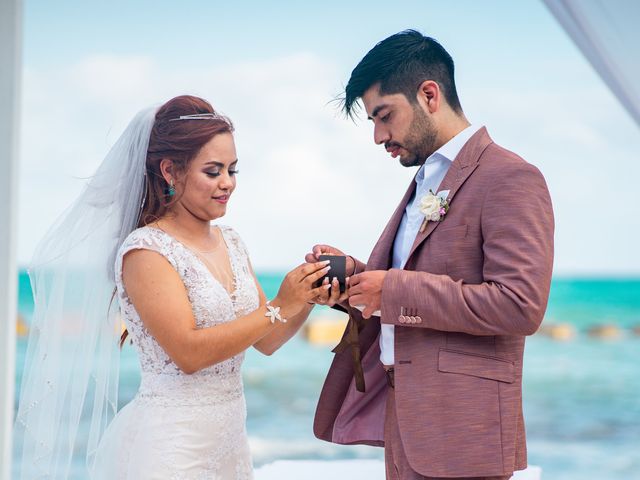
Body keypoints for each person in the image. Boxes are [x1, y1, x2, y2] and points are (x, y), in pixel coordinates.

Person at [15, 95, 331, 479]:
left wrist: (309, 295)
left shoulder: (232, 242)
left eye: (233, 170)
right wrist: (280, 302)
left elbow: (266, 340)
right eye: (213, 171)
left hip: (231, 442)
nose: (227, 183)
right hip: (170, 447)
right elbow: (188, 353)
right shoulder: (146, 251)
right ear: (170, 171)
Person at [307, 30, 554, 480]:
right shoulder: (428, 179)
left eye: (385, 116)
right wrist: (359, 283)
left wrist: (393, 290)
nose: (379, 136)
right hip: (405, 421)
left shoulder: (511, 178)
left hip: (463, 432)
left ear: (428, 95)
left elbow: (520, 305)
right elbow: (414, 281)